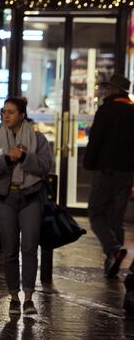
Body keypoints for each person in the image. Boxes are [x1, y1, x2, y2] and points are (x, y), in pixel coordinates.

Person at [0, 97, 54, 317]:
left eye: (11, 112)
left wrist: (23, 157)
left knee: (29, 247)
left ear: (22, 115)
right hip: (5, 199)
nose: (6, 116)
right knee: (10, 249)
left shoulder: (37, 138)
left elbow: (45, 166)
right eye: (4, 112)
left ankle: (29, 297)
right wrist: (7, 160)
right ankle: (13, 296)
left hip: (30, 197)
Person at [84, 74, 134, 278]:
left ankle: (113, 250)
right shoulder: (133, 111)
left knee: (96, 214)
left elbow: (96, 139)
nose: (105, 91)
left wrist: (88, 163)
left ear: (115, 90)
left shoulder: (106, 110)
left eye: (108, 88)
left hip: (106, 171)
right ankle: (112, 260)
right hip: (126, 173)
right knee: (117, 217)